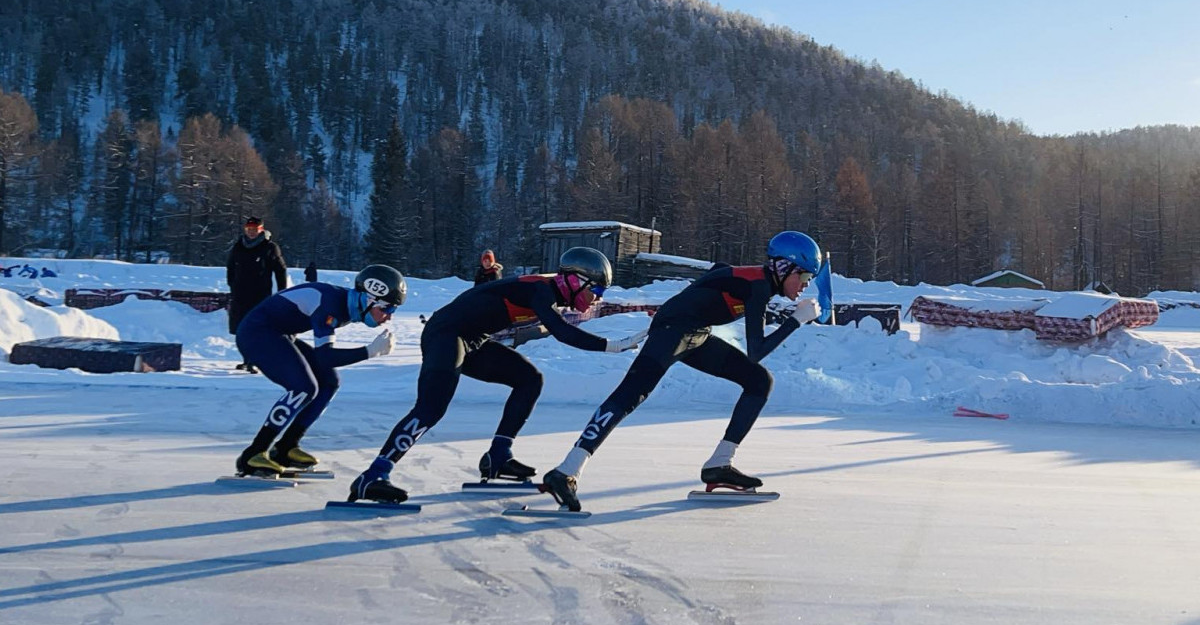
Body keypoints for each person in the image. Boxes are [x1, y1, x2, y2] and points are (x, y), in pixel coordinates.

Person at [541, 231, 825, 512]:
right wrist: (796, 320)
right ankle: (567, 470)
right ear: (783, 267)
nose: (804, 286)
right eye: (804, 277)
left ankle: (719, 464)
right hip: (672, 331)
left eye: (810, 279)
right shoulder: (758, 286)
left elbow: (717, 275)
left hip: (695, 334)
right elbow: (757, 350)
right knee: (629, 396)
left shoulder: (758, 281)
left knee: (759, 381)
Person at [346, 247, 640, 504]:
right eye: (597, 291)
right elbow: (562, 332)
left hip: (472, 339)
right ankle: (373, 476)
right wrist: (612, 346)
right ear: (575, 281)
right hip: (446, 334)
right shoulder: (544, 290)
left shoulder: (549, 291)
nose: (596, 299)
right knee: (430, 409)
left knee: (529, 379)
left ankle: (499, 456)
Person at [233, 264, 405, 476]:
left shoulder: (347, 305)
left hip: (278, 333)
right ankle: (254, 453)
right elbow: (325, 357)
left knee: (329, 383)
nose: (389, 317)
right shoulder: (332, 304)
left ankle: (287, 447)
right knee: (303, 387)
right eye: (387, 309)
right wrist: (369, 351)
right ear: (369, 300)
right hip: (256, 334)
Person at [226, 216, 288, 373]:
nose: (251, 233)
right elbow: (230, 267)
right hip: (240, 295)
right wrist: (232, 285)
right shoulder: (239, 246)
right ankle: (246, 359)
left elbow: (280, 270)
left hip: (260, 295)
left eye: (254, 230)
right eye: (249, 230)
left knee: (257, 329)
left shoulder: (269, 247)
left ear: (261, 230)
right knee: (241, 330)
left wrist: (282, 291)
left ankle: (256, 360)